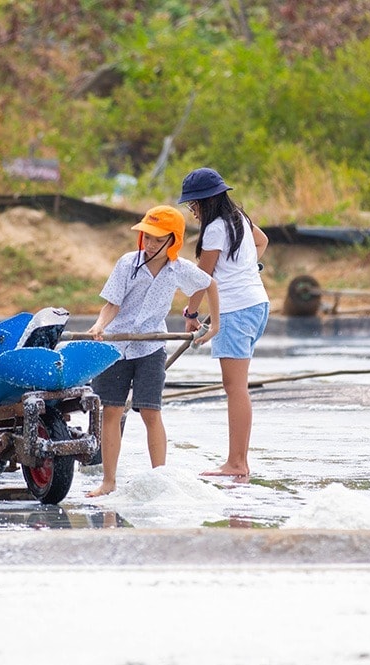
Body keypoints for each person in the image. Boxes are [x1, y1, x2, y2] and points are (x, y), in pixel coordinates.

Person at [85, 205, 220, 497]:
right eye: (147, 237)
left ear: (173, 242)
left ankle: (160, 479)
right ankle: (108, 482)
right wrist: (99, 325)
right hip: (116, 344)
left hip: (150, 346)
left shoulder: (178, 270)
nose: (150, 244)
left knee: (150, 412)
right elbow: (112, 304)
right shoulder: (126, 264)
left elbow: (209, 284)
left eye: (158, 240)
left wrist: (213, 324)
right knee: (111, 410)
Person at [178, 167, 269, 480]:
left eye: (194, 205)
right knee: (237, 387)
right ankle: (238, 460)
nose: (193, 211)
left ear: (207, 201)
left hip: (236, 310)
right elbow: (263, 241)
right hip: (257, 304)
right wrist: (247, 269)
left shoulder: (216, 228)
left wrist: (190, 314)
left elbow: (201, 279)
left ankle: (237, 463)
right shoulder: (239, 218)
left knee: (235, 388)